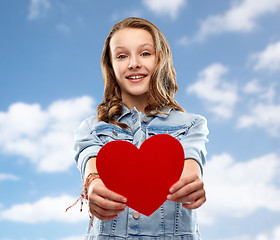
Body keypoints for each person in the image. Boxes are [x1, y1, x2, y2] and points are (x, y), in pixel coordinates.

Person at [73, 17, 209, 239]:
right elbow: (90, 162)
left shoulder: (192, 125)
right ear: (111, 65)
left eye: (145, 53)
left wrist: (190, 183)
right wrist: (93, 183)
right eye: (122, 55)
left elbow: (191, 162)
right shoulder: (90, 128)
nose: (133, 63)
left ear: (161, 59)